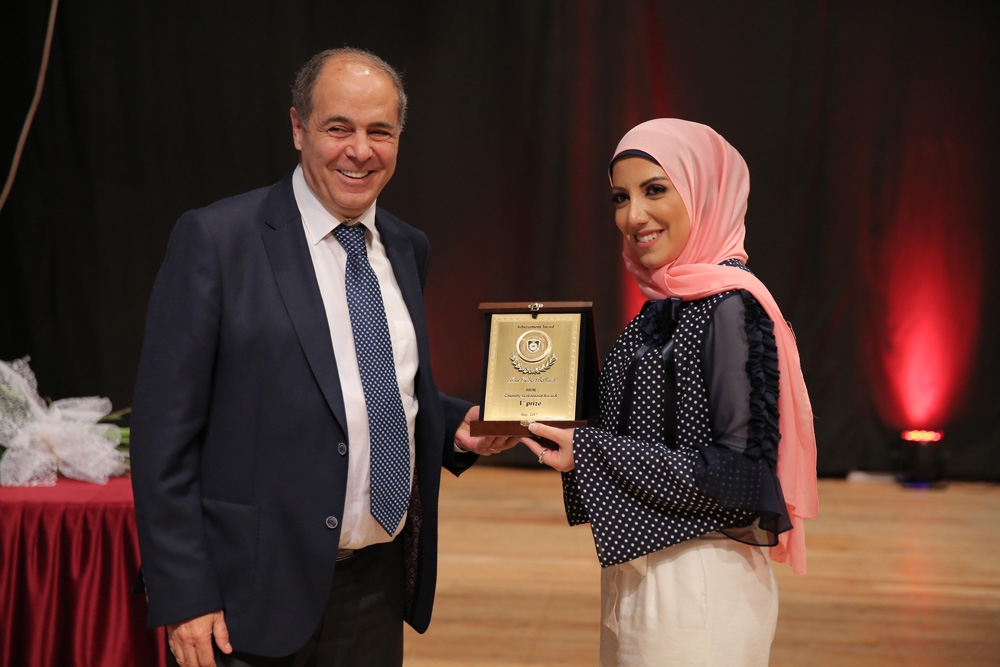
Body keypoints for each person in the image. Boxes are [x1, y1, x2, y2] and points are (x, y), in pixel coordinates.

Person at [130, 47, 516, 667]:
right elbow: (162, 438)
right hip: (243, 599)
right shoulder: (217, 240)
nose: (360, 150)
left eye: (379, 132)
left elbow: (367, 383)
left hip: (376, 590)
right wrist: (185, 593)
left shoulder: (406, 247)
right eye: (339, 127)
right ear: (297, 128)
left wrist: (454, 426)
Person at [520, 118, 818, 665]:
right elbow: (641, 437)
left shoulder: (729, 306)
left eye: (655, 190)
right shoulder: (664, 308)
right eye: (620, 197)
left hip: (699, 584)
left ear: (705, 191)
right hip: (642, 568)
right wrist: (538, 419)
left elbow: (739, 476)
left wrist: (590, 451)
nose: (633, 216)